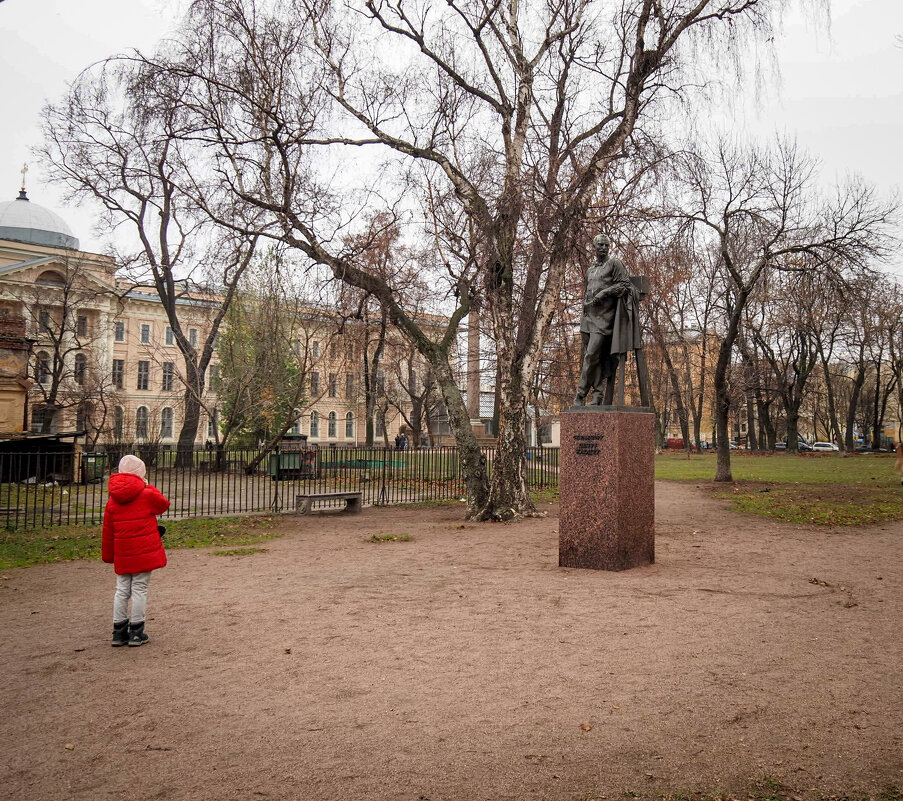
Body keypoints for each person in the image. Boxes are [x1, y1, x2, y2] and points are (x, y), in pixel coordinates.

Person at [102, 455, 170, 647]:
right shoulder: (147, 494)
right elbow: (163, 505)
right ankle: (137, 632)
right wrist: (148, 486)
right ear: (141, 474)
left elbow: (107, 531)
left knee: (122, 590)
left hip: (123, 553)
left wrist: (109, 556)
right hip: (142, 552)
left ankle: (118, 631)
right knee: (139, 589)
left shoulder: (112, 501)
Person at [574, 233, 642, 406]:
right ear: (594, 247)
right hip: (588, 318)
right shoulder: (590, 270)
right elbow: (587, 291)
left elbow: (625, 285)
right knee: (593, 358)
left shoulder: (615, 264)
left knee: (590, 356)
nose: (603, 248)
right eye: (600, 245)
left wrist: (604, 293)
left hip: (604, 319)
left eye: (606, 245)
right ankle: (597, 395)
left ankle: (580, 395)